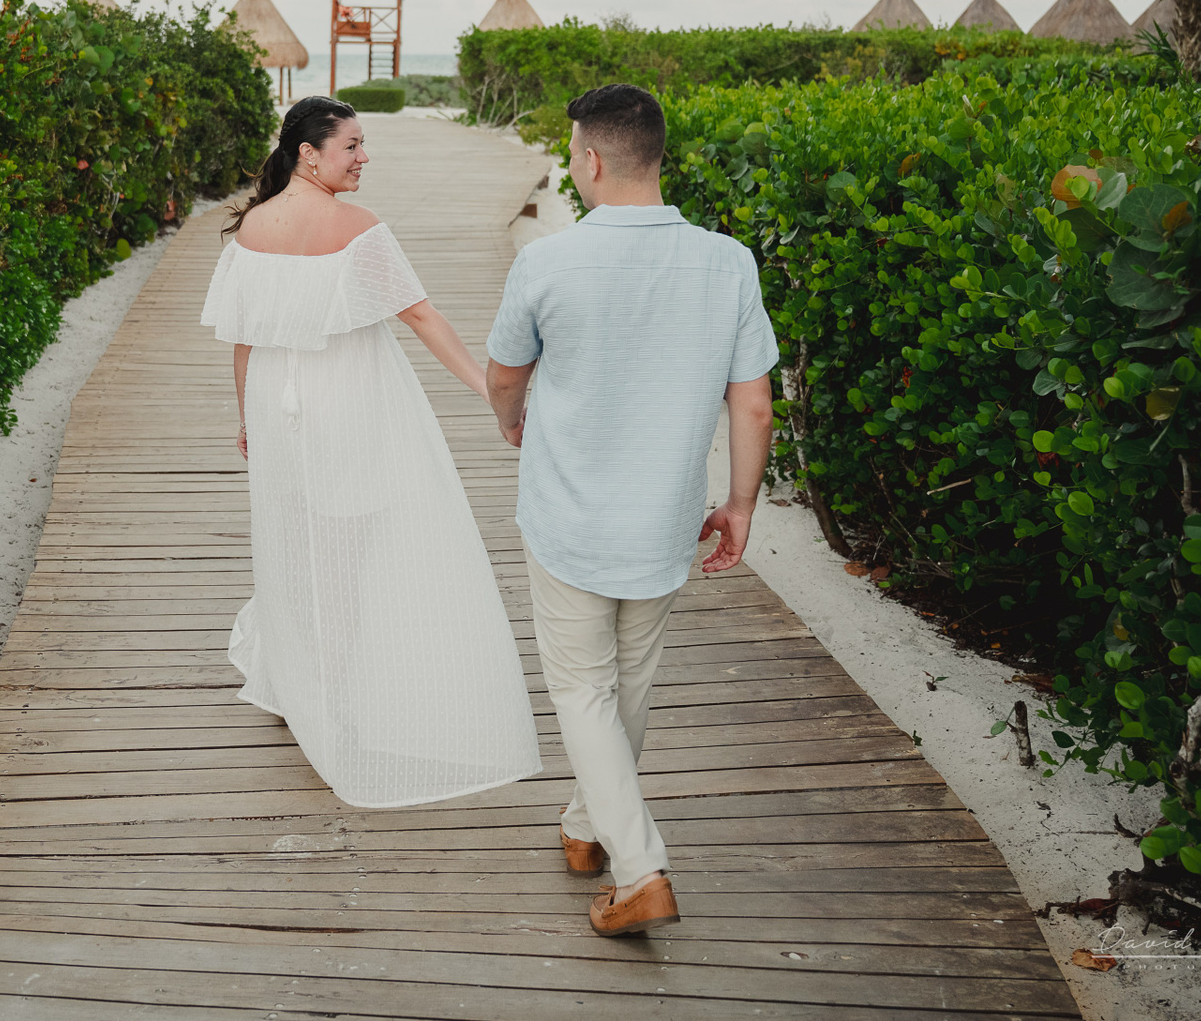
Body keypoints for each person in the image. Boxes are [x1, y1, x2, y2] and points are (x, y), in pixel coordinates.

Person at [485, 83, 778, 936]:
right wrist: (740, 503)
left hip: (569, 515)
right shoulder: (728, 263)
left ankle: (641, 867)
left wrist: (511, 420)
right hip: (663, 517)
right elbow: (754, 405)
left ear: (591, 160)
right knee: (630, 685)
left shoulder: (547, 262)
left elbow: (505, 376)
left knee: (583, 689)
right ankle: (587, 830)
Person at [200, 95, 542, 808]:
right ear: (309, 154)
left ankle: (302, 678)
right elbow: (422, 316)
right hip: (344, 402)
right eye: (351, 145)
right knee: (347, 554)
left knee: (296, 543)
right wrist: (490, 391)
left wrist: (247, 416)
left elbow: (244, 335)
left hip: (276, 404)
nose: (364, 158)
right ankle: (336, 697)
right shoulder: (356, 228)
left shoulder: (253, 227)